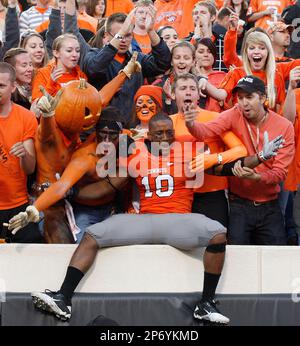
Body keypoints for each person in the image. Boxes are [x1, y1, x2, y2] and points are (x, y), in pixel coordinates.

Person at [22, 113, 230, 324]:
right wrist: (72, 193)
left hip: (178, 220)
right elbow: (107, 186)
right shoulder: (135, 153)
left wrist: (255, 159)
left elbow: (222, 168)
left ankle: (206, 303)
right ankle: (63, 298)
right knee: (93, 234)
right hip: (144, 219)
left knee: (217, 233)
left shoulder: (188, 151)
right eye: (159, 133)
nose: (165, 137)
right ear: (149, 136)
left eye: (169, 132)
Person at [185, 75, 295, 245]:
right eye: (240, 98)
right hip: (239, 205)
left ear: (263, 98)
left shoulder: (284, 126)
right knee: (238, 259)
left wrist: (257, 177)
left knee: (274, 260)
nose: (244, 103)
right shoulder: (234, 113)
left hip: (270, 205)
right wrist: (191, 124)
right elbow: (206, 131)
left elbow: (280, 173)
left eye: (249, 97)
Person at [82, 6, 171, 125]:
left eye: (128, 35)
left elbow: (163, 63)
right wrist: (122, 32)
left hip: (132, 128)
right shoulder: (93, 54)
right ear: (106, 35)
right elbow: (94, 68)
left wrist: (151, 31)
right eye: (118, 35)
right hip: (105, 130)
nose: (123, 40)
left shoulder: (137, 58)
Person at [0, 62, 42, 243]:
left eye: (1, 85)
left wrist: (24, 154)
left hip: (17, 203)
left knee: (32, 246)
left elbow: (30, 169)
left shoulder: (26, 117)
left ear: (13, 86)